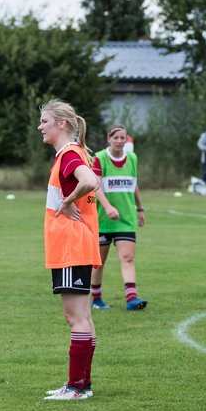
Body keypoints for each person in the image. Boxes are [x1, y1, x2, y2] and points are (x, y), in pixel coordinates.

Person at [38, 100, 102, 400]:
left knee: (74, 317)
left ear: (61, 124)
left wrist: (67, 201)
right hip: (79, 244)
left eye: (45, 121)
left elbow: (90, 181)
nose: (41, 126)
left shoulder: (68, 155)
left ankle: (76, 387)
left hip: (69, 246)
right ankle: (81, 385)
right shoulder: (73, 154)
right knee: (84, 317)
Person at [91, 125, 148, 311]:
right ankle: (96, 298)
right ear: (109, 138)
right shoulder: (99, 158)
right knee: (98, 264)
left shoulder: (132, 158)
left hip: (126, 218)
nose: (119, 141)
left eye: (122, 138)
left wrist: (140, 208)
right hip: (102, 219)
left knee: (127, 258)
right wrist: (107, 207)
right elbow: (95, 186)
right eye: (116, 137)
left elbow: (134, 184)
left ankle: (132, 298)